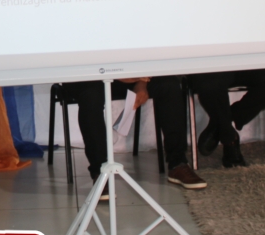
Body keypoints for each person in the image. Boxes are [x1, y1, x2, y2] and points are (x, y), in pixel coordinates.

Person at [58, 77, 207, 191]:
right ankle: (100, 172)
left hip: (130, 74)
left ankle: (178, 163)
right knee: (90, 94)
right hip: (89, 75)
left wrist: (141, 82)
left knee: (168, 84)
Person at [190, 68, 265, 167]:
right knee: (208, 81)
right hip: (213, 66)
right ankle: (230, 140)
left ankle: (222, 124)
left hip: (249, 63)